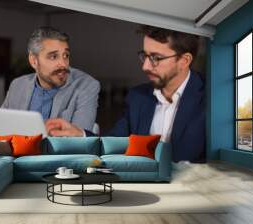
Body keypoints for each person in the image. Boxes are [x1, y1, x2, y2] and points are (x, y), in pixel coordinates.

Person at [46, 25, 205, 163]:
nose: (145, 66)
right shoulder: (137, 97)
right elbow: (114, 143)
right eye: (145, 56)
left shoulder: (213, 98)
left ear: (184, 60)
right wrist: (79, 135)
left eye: (156, 58)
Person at [2, 27, 100, 132]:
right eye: (53, 57)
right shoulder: (18, 85)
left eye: (66, 55)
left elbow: (80, 140)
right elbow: (0, 124)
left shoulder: (86, 85)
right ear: (34, 61)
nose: (63, 64)